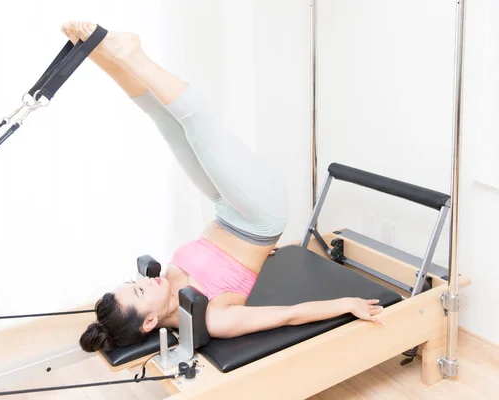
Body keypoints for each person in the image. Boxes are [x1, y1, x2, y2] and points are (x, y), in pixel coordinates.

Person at [60, 21, 385, 353]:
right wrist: (348, 304)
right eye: (140, 292)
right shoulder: (215, 319)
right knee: (197, 120)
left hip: (226, 206)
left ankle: (101, 56)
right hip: (260, 216)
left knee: (165, 120)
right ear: (148, 323)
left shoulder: (166, 285)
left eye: (135, 283)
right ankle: (133, 53)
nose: (144, 281)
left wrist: (93, 52)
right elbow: (289, 315)